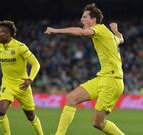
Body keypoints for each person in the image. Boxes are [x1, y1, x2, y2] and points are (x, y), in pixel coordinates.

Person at [45, 3, 125, 135]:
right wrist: (115, 30)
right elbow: (121, 39)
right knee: (71, 98)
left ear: (93, 20)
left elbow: (81, 32)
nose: (81, 19)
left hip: (112, 82)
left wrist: (55, 30)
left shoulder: (99, 29)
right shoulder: (109, 35)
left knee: (98, 123)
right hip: (103, 77)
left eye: (84, 17)